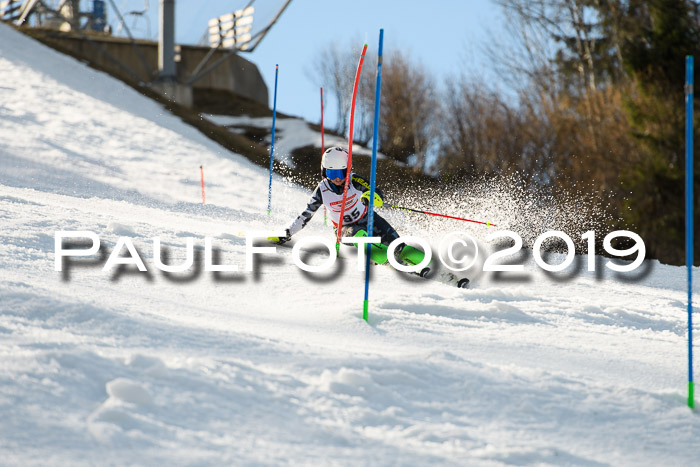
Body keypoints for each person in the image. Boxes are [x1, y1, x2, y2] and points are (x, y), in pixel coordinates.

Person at [269, 146, 403, 260]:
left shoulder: (354, 180)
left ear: (348, 170)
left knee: (399, 244)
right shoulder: (322, 190)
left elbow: (376, 192)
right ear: (324, 172)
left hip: (369, 219)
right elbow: (305, 216)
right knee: (359, 235)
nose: (337, 178)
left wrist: (370, 197)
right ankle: (382, 258)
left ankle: (417, 262)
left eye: (341, 173)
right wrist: (288, 233)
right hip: (344, 229)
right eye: (332, 174)